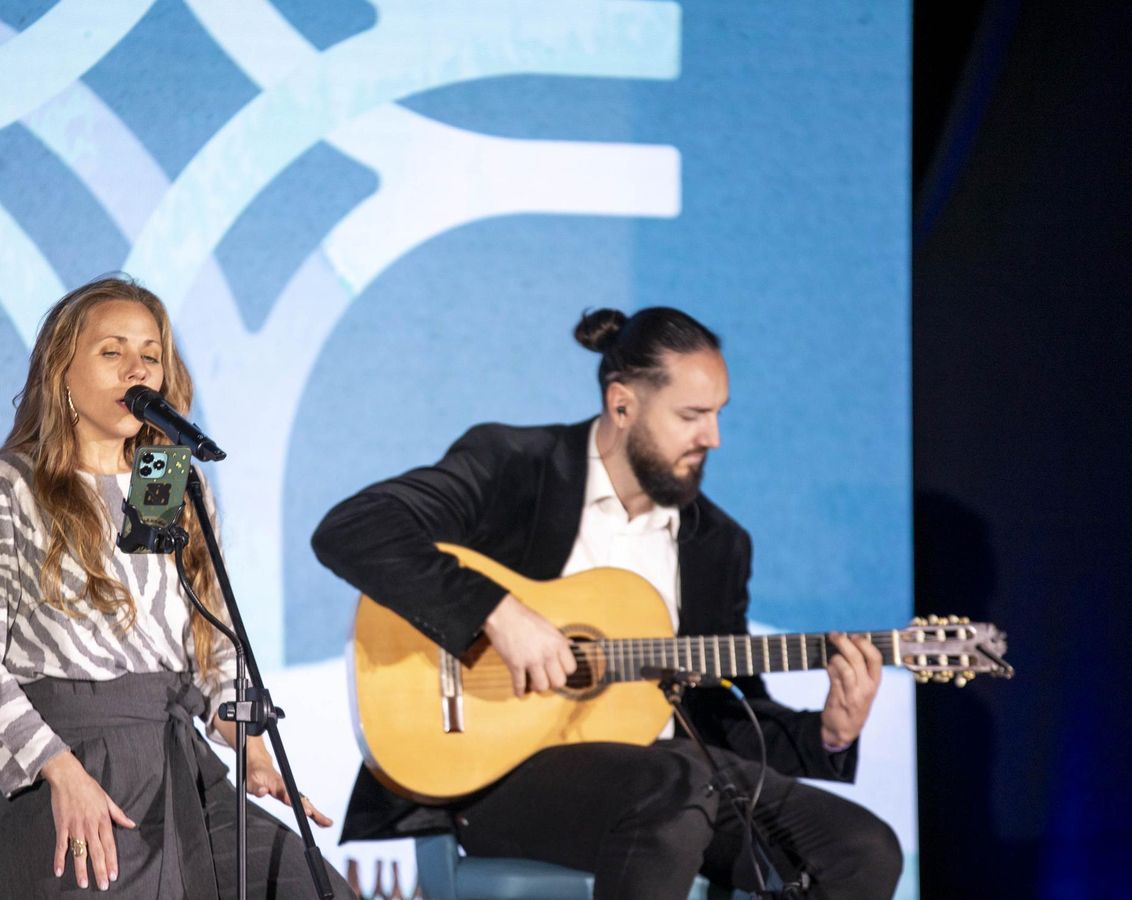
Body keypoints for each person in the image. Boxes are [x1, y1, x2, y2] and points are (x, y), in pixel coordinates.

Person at [311, 307, 903, 899]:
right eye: (692, 416)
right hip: (499, 777)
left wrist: (828, 734)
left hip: (673, 777)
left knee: (860, 850)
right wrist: (499, 613)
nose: (713, 438)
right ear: (622, 405)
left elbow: (723, 712)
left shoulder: (717, 544)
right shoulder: (517, 465)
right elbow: (356, 527)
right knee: (678, 785)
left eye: (718, 414)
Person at [0, 275, 353, 899]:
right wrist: (60, 771)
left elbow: (212, 638)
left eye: (151, 356)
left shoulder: (164, 481)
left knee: (309, 888)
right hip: (67, 767)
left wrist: (251, 748)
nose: (137, 370)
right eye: (112, 352)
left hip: (180, 767)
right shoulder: (6, 486)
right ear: (61, 371)